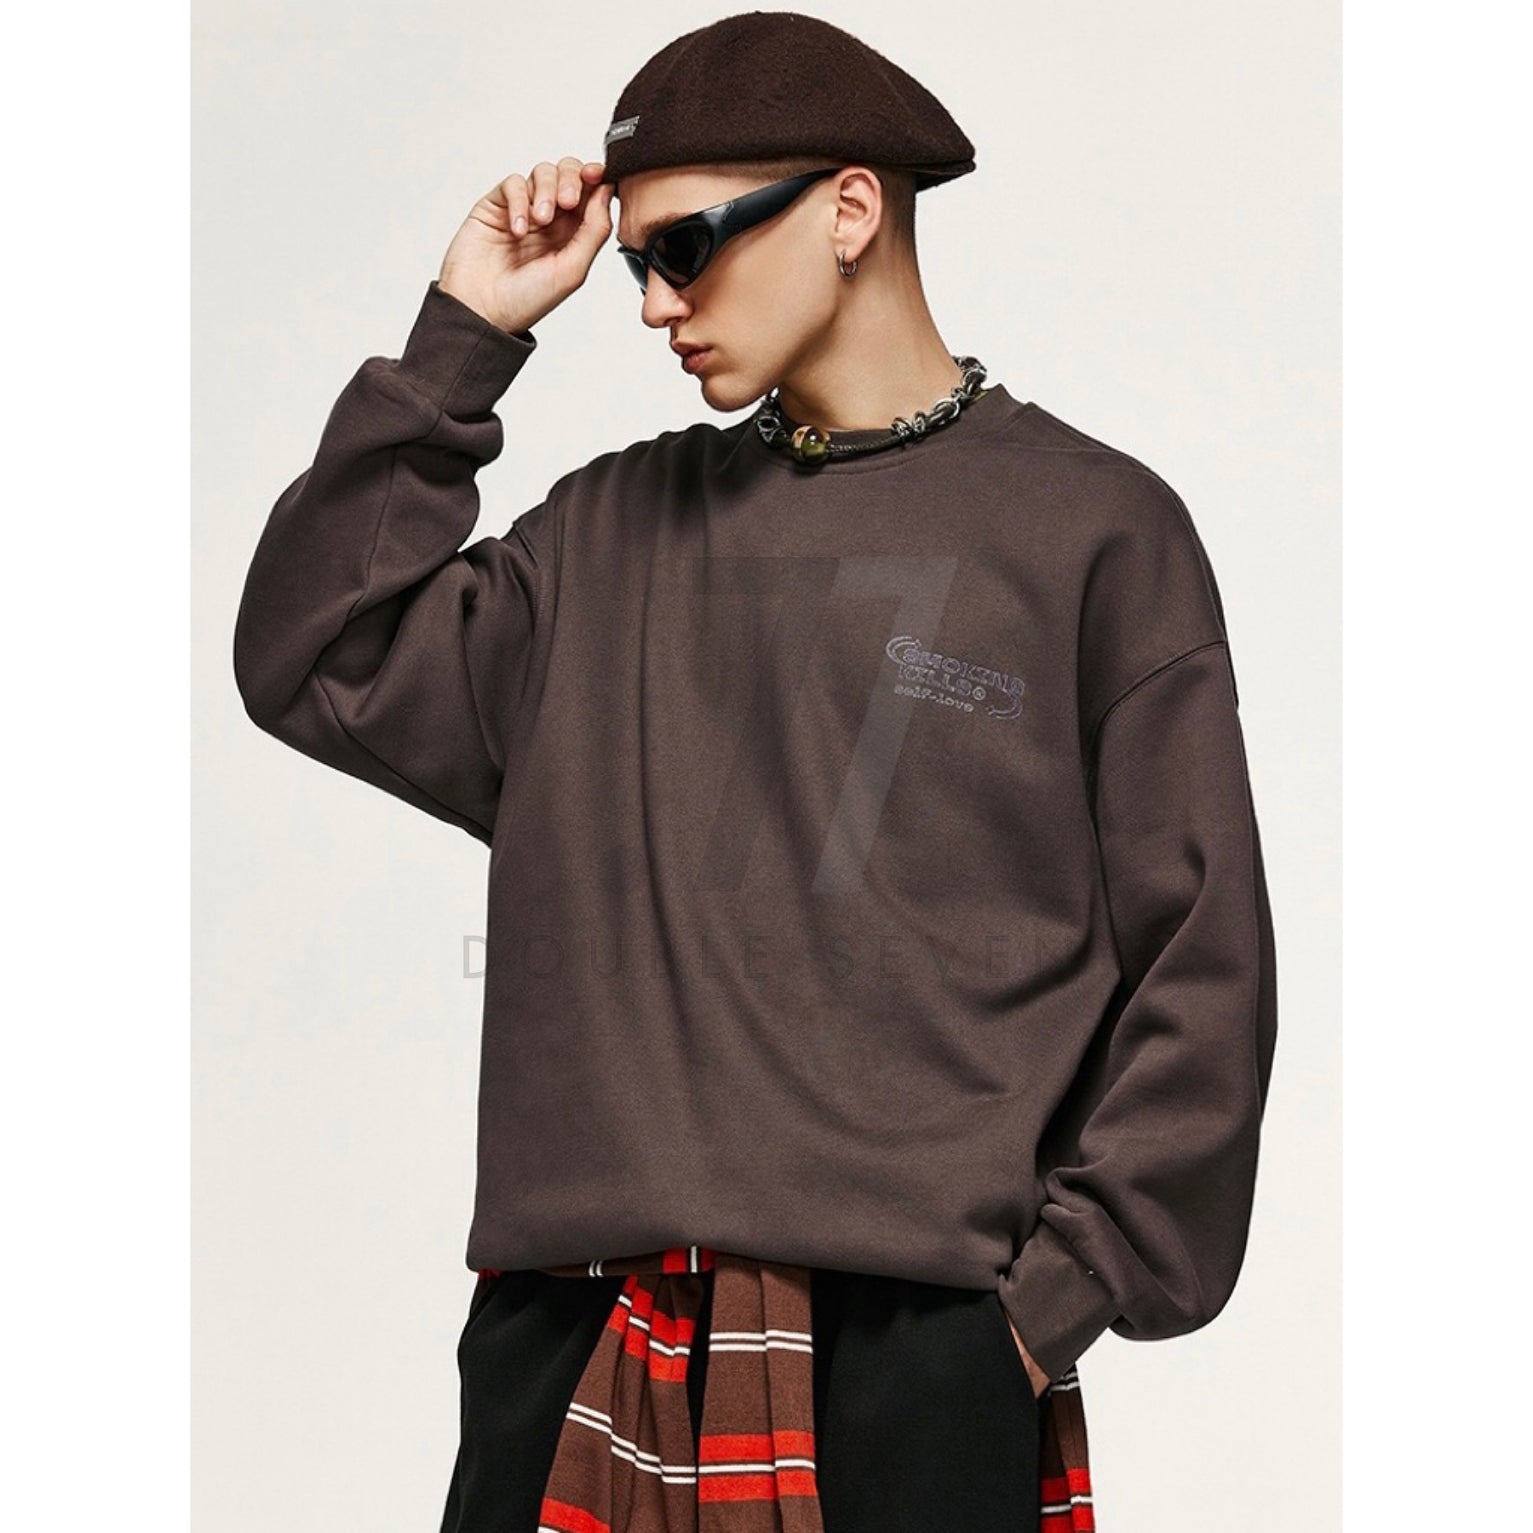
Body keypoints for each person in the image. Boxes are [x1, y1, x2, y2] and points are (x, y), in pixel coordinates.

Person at [232, 11, 1278, 1532]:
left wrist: (1038, 1310)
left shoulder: (1092, 534)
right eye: (635, 264)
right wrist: (466, 332)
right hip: (575, 1337)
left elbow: (1204, 968)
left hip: (915, 1355)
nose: (655, 301)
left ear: (850, 210)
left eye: (688, 246)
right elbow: (316, 650)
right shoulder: (600, 539)